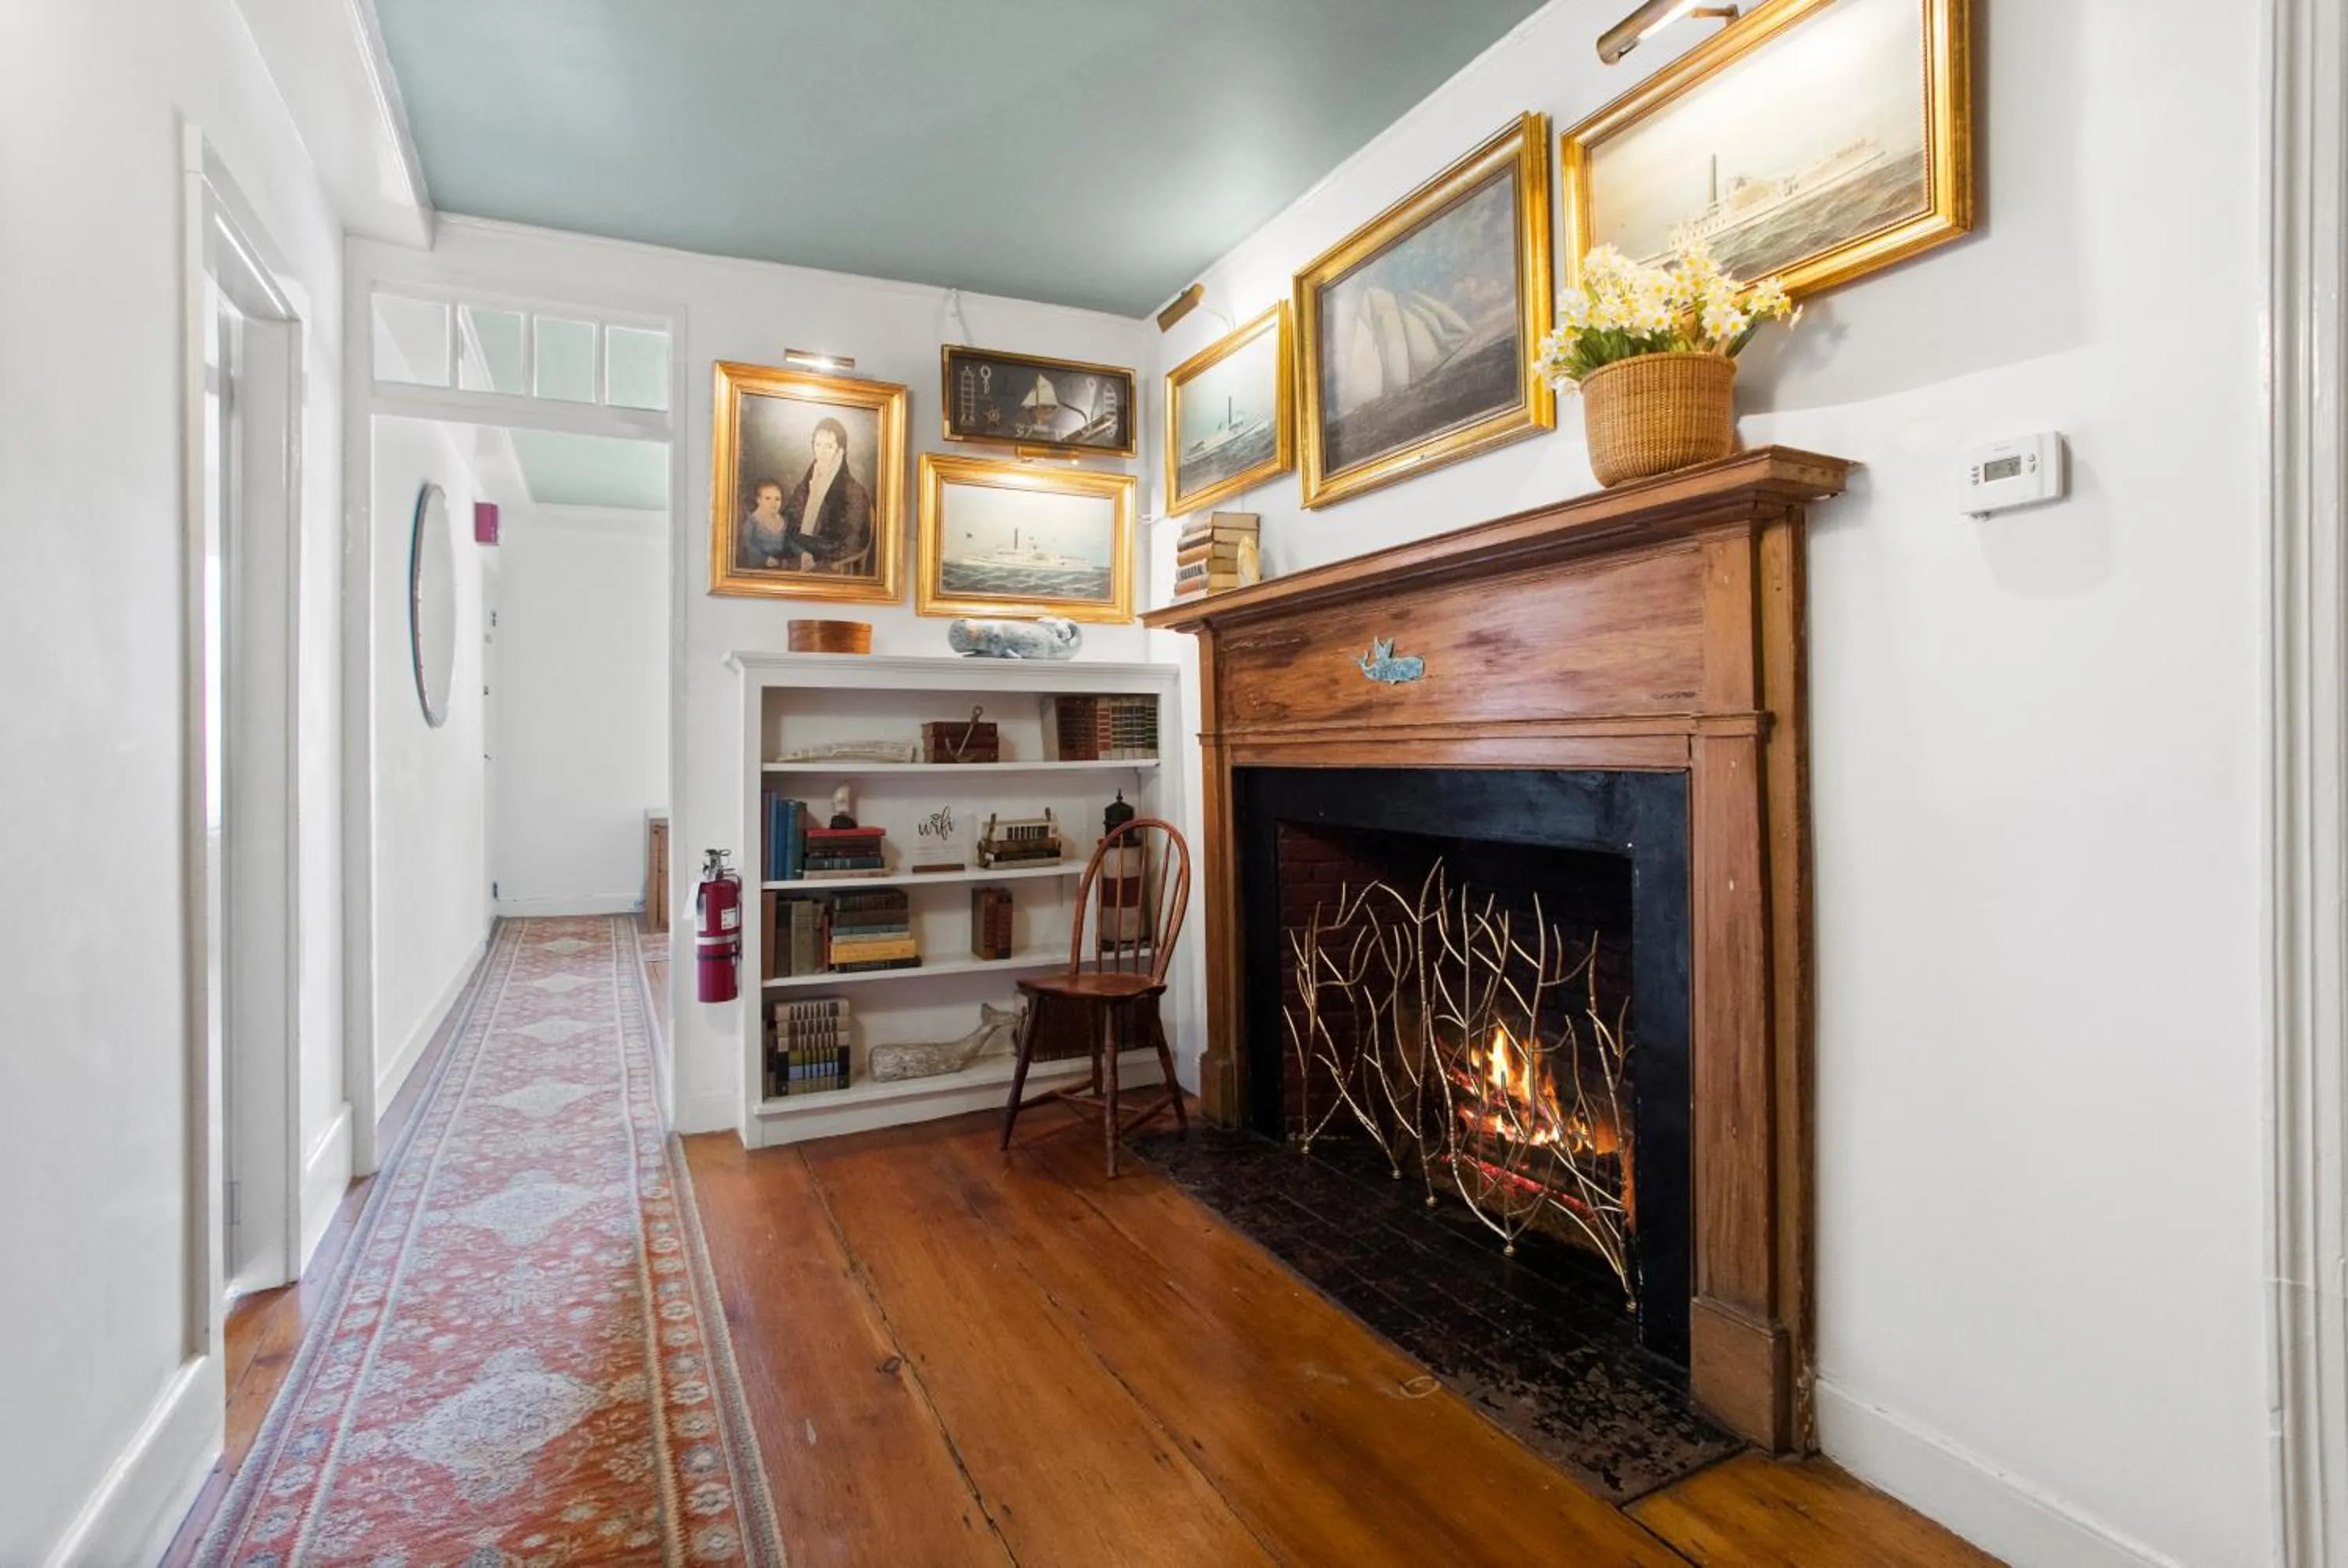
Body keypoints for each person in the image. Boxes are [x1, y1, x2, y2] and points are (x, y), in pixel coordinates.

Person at [775, 417, 873, 574]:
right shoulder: (811, 477)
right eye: (818, 444)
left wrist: (808, 544)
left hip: (835, 552)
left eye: (829, 446)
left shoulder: (853, 490)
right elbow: (791, 512)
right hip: (805, 545)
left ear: (840, 450)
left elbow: (852, 539)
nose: (822, 451)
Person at [736, 478, 791, 570]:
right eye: (768, 498)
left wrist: (801, 553)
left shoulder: (783, 521)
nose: (773, 503)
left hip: (780, 566)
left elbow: (788, 541)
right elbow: (747, 544)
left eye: (777, 499)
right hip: (759, 568)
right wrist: (764, 559)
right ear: (759, 500)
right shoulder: (752, 522)